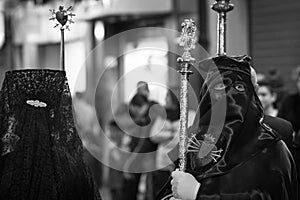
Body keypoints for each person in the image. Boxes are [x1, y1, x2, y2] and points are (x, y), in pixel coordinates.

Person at [157, 56, 297, 200]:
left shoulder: (271, 145)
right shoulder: (193, 140)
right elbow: (173, 185)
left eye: (238, 87)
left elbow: (271, 195)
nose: (228, 96)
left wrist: (199, 194)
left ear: (251, 93)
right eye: (218, 87)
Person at [150, 89, 195, 198]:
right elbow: (154, 135)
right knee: (162, 192)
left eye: (168, 97)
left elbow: (189, 134)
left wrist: (170, 135)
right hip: (163, 163)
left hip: (182, 161)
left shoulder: (190, 115)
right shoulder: (163, 116)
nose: (165, 100)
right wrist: (171, 134)